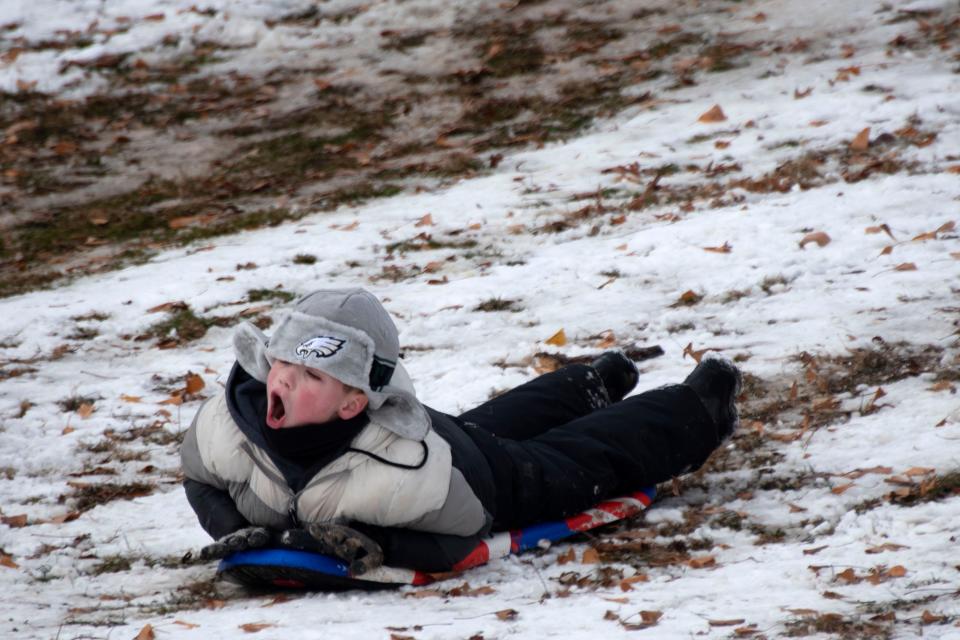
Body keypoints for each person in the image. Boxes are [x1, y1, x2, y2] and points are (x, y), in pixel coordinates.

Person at [181, 288, 741, 574]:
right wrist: (233, 529)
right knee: (488, 424)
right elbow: (199, 476)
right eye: (281, 363)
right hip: (443, 438)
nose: (281, 381)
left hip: (477, 483)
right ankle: (592, 381)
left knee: (576, 458)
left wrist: (382, 545)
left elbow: (461, 539)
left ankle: (698, 405)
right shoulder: (229, 425)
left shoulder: (406, 469)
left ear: (353, 403)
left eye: (309, 376)